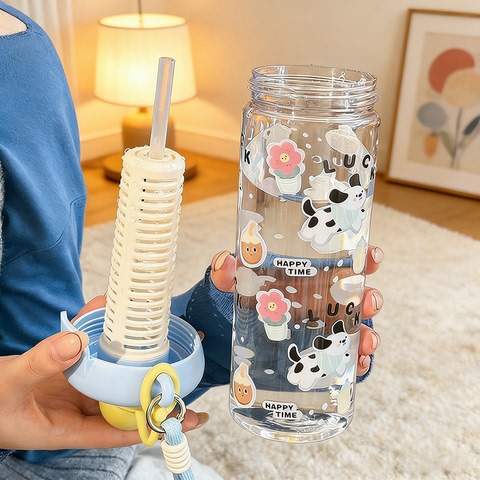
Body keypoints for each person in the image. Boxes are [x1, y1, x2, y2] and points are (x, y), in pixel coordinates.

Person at [0, 2, 384, 478]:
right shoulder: (27, 51)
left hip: (77, 425)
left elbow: (33, 304)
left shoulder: (24, 48)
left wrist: (207, 327)